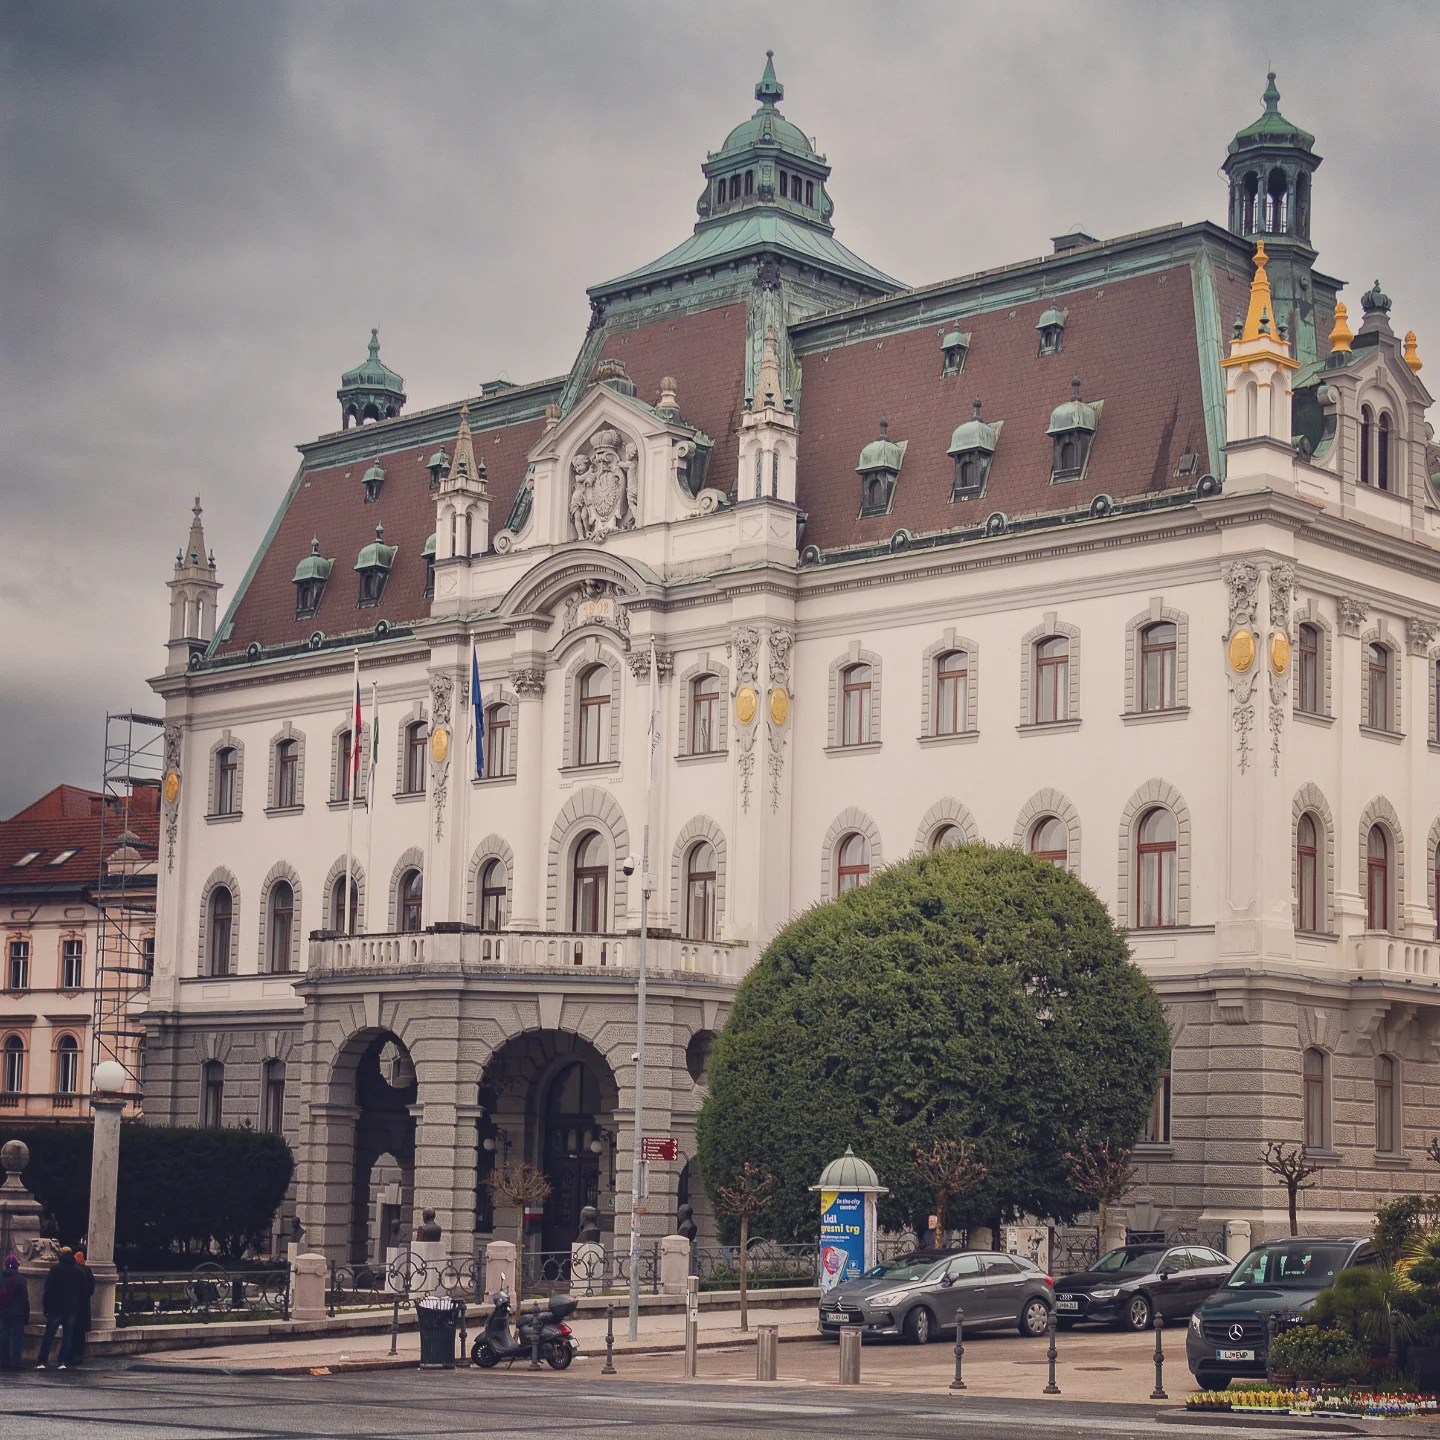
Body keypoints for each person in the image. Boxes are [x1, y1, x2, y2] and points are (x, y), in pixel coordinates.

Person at [36, 1248, 86, 1370]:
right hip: (71, 1308)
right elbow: (82, 1293)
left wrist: (46, 1307)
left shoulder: (55, 1270)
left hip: (56, 1307)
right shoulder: (78, 1272)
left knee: (49, 1335)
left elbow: (48, 1289)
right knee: (67, 1336)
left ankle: (42, 1361)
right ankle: (62, 1361)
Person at [0, 1255, 29, 1370]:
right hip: (18, 1313)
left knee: (3, 1337)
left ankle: (3, 1361)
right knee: (17, 1338)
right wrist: (26, 1314)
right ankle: (16, 1362)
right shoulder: (20, 1279)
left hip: (3, 1312)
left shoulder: (1, 1278)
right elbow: (24, 1299)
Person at [70, 1251, 96, 1365]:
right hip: (84, 1305)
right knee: (81, 1333)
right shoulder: (87, 1270)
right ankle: (79, 1354)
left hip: (74, 1305)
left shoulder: (74, 1271)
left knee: (72, 1331)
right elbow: (91, 1288)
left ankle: (72, 1354)